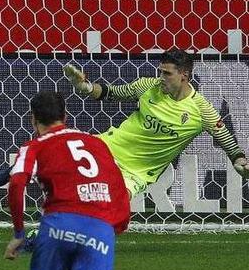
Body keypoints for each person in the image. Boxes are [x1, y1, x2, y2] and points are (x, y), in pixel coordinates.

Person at [5, 91, 130, 270]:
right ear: (65, 115)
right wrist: (115, 226)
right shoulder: (96, 143)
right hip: (99, 228)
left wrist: (19, 234)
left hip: (60, 224)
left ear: (33, 119)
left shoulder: (34, 146)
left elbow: (16, 186)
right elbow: (119, 187)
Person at [62, 49, 249, 196]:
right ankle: (45, 231)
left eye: (167, 74)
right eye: (160, 72)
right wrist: (85, 87)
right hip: (107, 147)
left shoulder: (201, 110)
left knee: (107, 207)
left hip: (136, 174)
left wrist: (239, 161)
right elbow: (109, 93)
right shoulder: (148, 86)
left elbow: (228, 141)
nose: (161, 78)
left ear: (184, 75)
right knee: (59, 162)